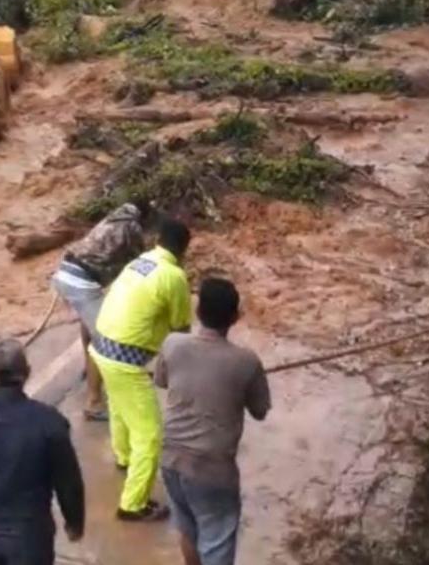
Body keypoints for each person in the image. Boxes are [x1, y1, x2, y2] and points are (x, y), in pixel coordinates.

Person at [155, 278, 271, 565]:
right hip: (212, 469)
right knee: (216, 541)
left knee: (187, 527)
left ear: (197, 310)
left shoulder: (172, 343)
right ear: (235, 317)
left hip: (170, 458)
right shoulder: (247, 361)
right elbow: (260, 411)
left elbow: (162, 380)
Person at [0, 339, 85, 565]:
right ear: (27, 373)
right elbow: (68, 482)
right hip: (31, 532)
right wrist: (74, 523)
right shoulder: (48, 422)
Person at [90, 218, 193, 522]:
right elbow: (181, 330)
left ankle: (123, 457)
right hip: (125, 360)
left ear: (158, 240)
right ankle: (133, 504)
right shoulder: (174, 276)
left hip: (100, 347)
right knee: (149, 435)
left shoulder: (140, 261)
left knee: (122, 408)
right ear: (184, 249)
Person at [52, 201, 150, 421]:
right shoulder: (132, 227)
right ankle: (94, 403)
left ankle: (90, 369)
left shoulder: (111, 219)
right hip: (80, 282)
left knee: (90, 325)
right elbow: (140, 262)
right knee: (105, 338)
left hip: (65, 272)